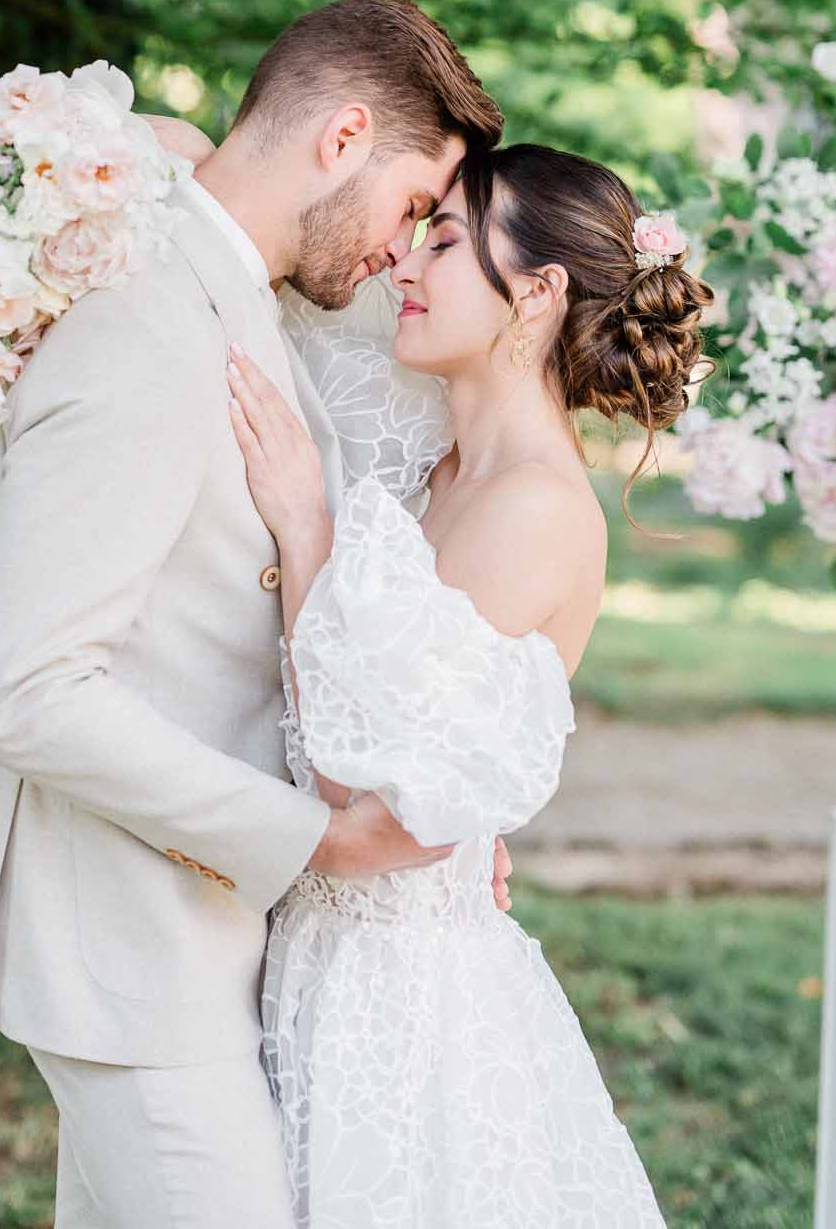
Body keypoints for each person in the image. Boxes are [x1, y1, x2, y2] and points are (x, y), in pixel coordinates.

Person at [0, 0, 505, 1228]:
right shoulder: (146, 321)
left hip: (186, 944)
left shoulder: (228, 288)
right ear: (341, 137)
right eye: (413, 203)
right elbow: (26, 689)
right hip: (124, 954)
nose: (405, 247)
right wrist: (311, 838)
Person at [225, 142, 716, 1228]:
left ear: (537, 294)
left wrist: (304, 522)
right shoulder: (432, 457)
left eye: (443, 241)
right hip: (324, 950)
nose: (404, 262)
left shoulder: (533, 511)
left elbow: (362, 784)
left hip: (403, 1006)